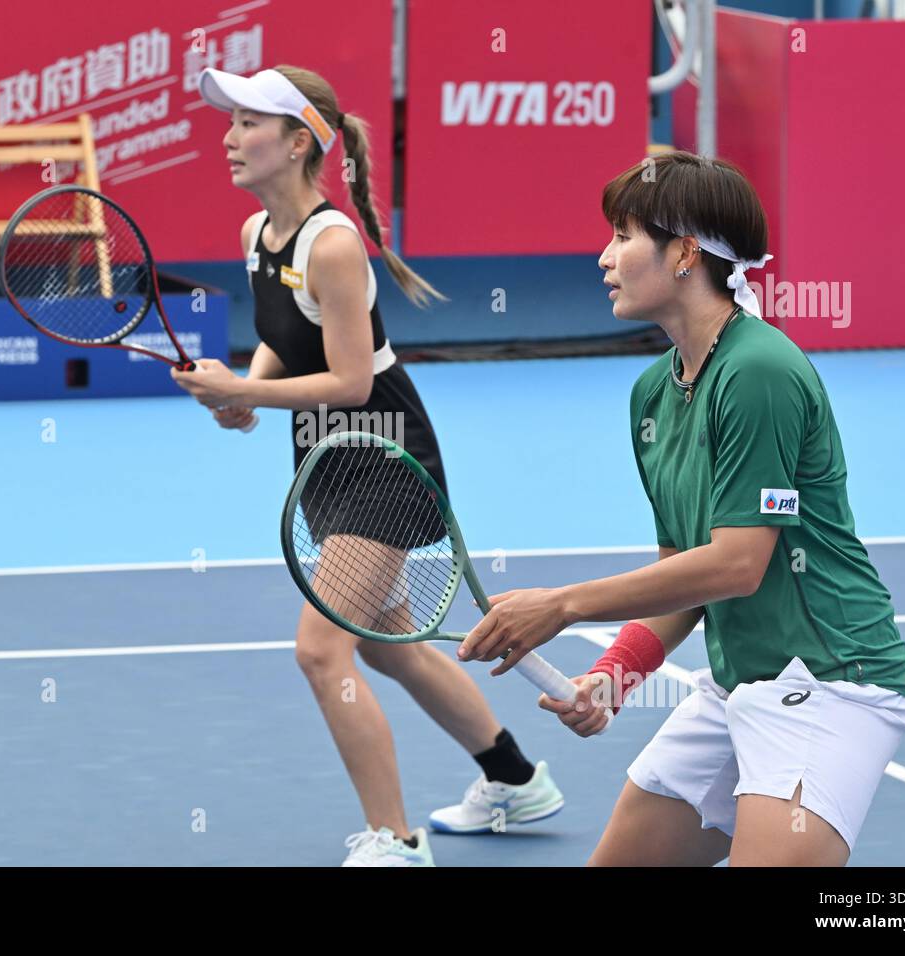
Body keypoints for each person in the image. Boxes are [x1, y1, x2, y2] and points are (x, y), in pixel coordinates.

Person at [458, 151, 905, 866]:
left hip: (830, 683)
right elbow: (686, 572)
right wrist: (615, 676)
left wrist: (563, 605)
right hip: (740, 686)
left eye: (623, 236)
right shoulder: (653, 394)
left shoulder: (759, 370)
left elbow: (736, 564)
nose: (604, 257)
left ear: (683, 253)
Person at [171, 65, 564, 867]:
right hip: (325, 455)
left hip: (384, 449)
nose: (229, 138)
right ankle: (517, 780)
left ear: (298, 141)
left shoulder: (335, 244)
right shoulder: (258, 237)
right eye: (232, 121)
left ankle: (395, 839)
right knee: (385, 644)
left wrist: (245, 389)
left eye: (250, 123)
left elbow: (352, 379)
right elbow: (287, 332)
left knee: (321, 650)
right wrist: (255, 390)